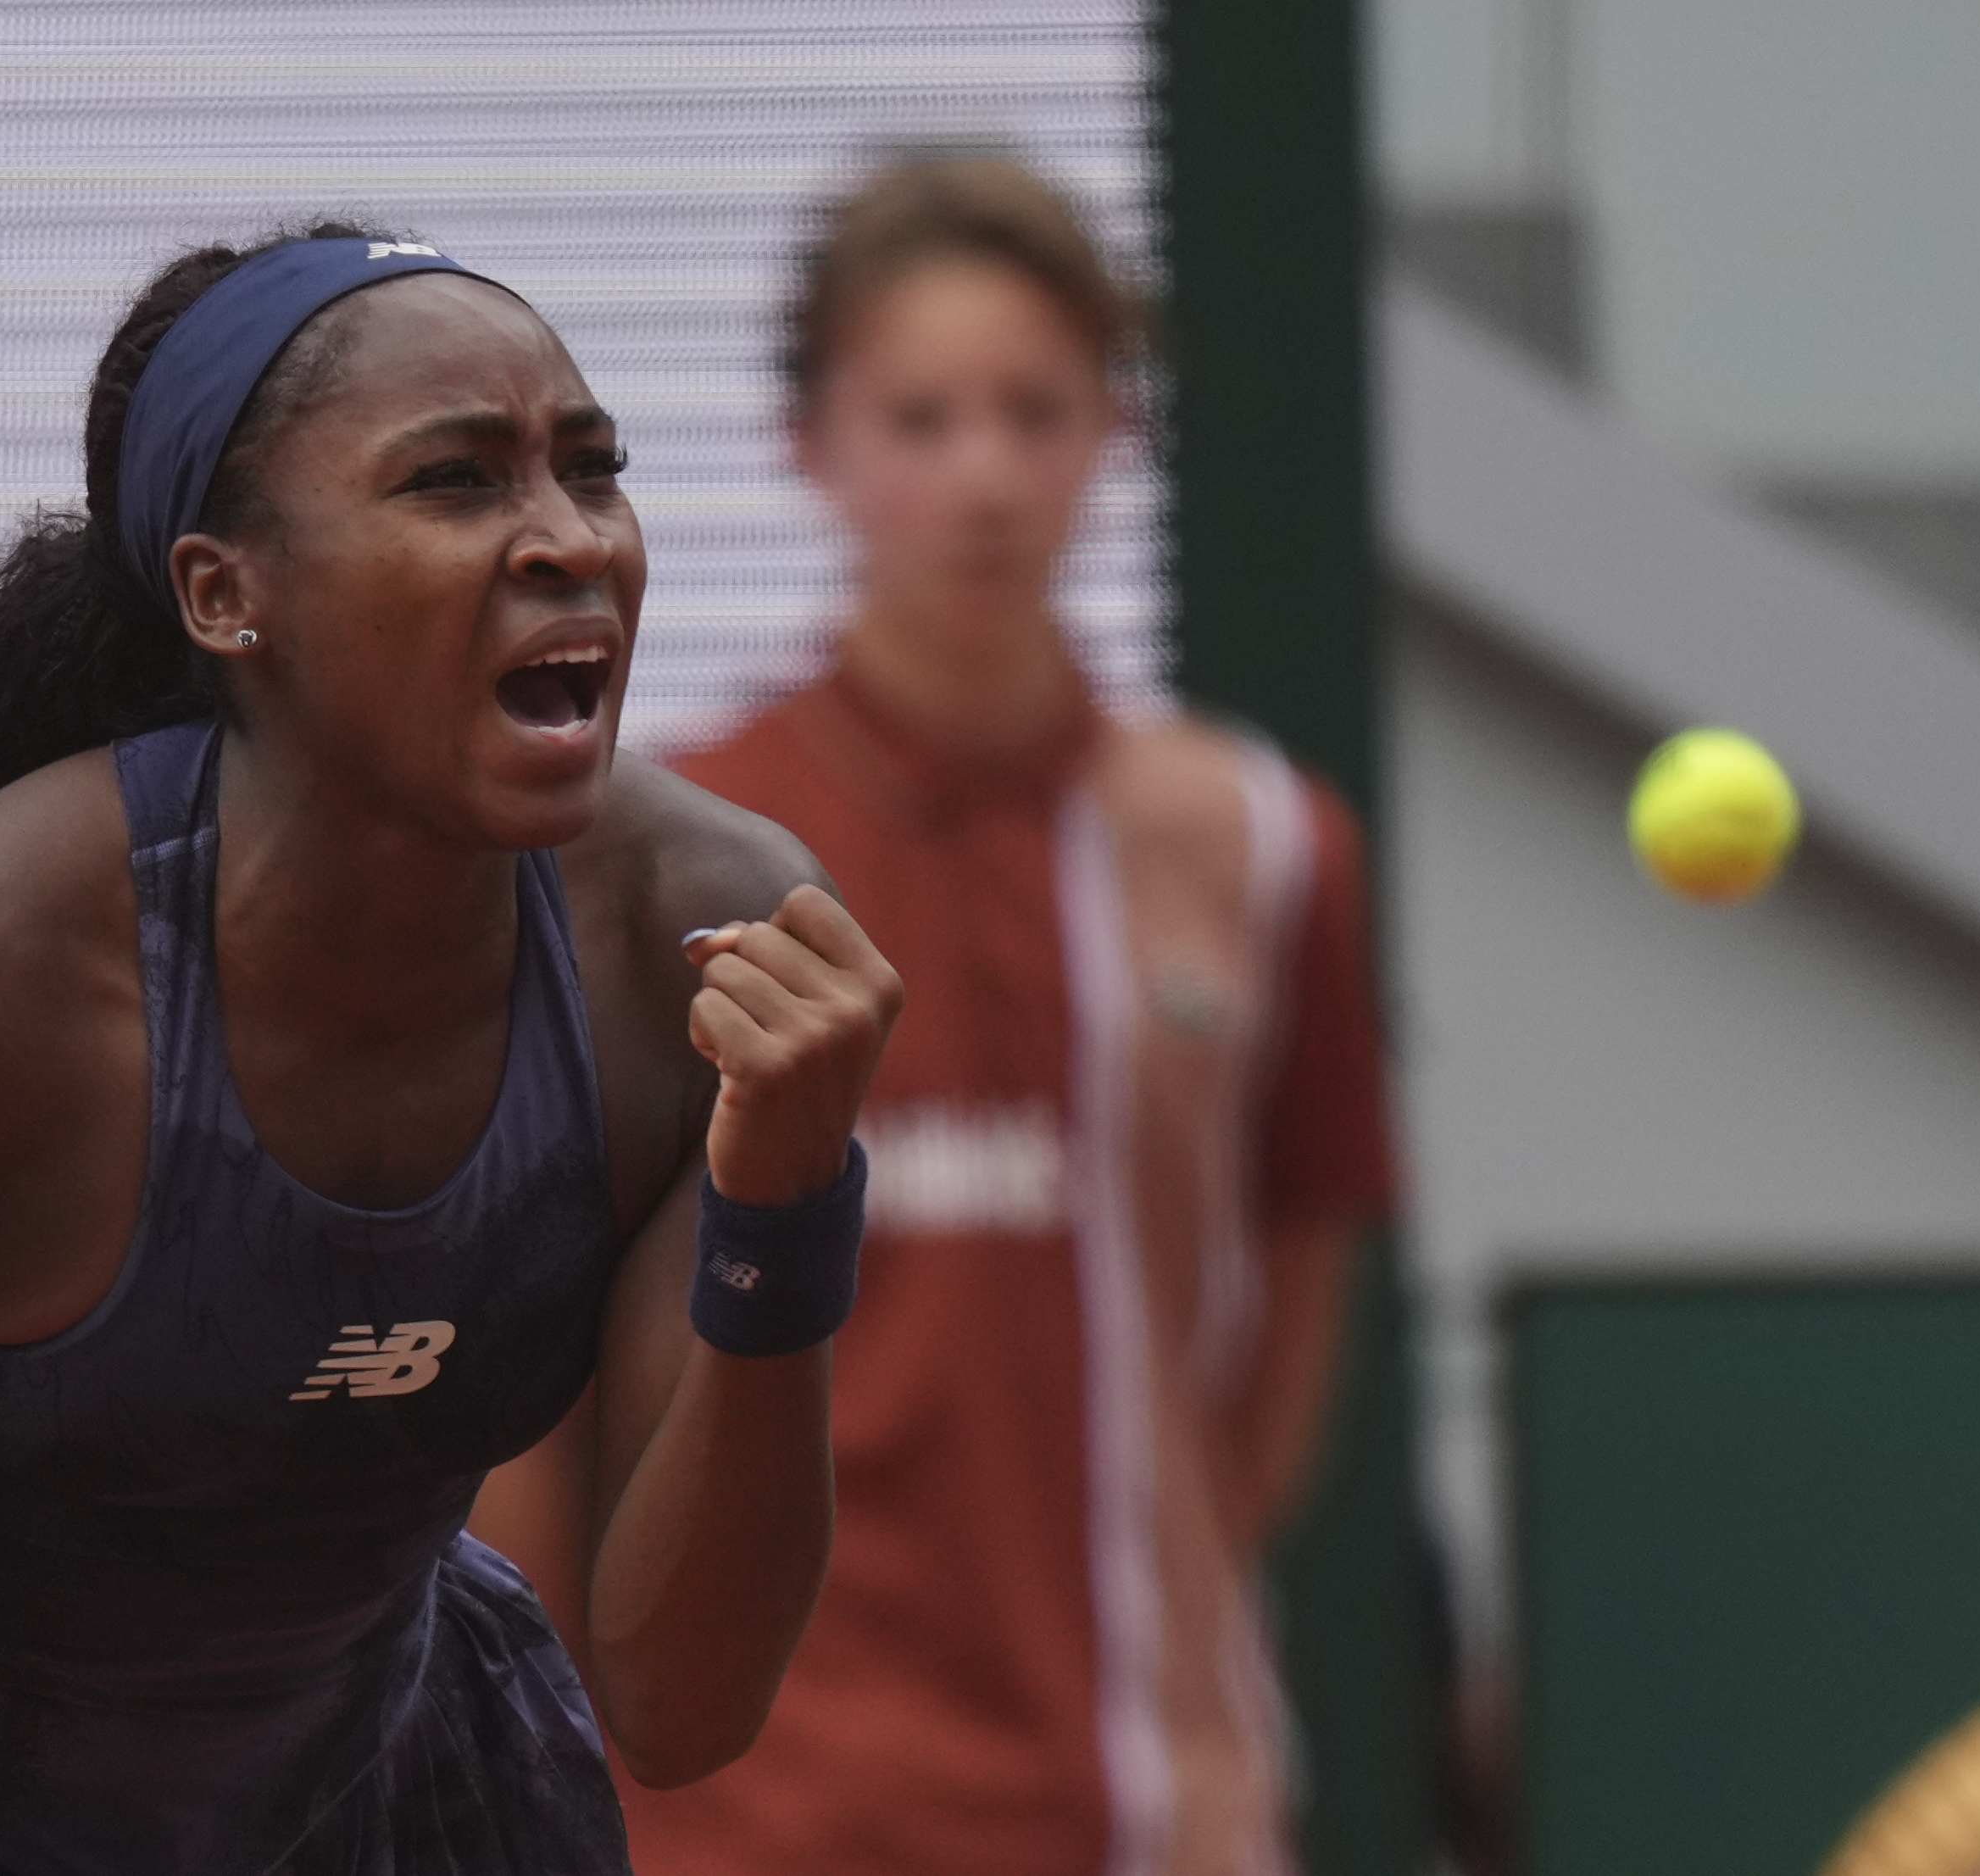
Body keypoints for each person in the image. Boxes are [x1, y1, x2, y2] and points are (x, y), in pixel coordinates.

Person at [0, 224, 903, 1876]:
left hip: (394, 1817)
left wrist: (780, 1207)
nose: (568, 540)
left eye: (592, 470)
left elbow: (684, 1706)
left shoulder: (696, 939)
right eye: (455, 481)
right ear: (225, 592)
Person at [475, 157, 1398, 1876]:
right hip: (740, 1830)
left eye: (1034, 411)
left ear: (1112, 433)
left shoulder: (1265, 849)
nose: (982, 474)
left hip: (1146, 1814)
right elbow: (538, 1403)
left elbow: (1285, 1331)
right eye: (920, 417)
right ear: (810, 444)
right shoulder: (658, 861)